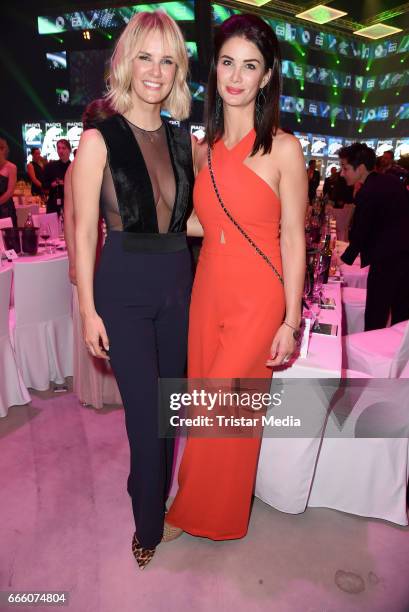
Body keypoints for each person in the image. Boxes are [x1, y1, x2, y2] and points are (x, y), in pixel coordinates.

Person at [165, 14, 307, 542]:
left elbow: (293, 237)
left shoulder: (285, 150)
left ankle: (192, 510)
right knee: (205, 403)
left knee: (225, 408)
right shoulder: (205, 149)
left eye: (251, 66)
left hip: (258, 296)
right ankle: (199, 500)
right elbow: (208, 223)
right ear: (215, 69)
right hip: (209, 291)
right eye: (228, 62)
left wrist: (291, 320)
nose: (237, 76)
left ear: (267, 77)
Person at [72, 11, 194, 569]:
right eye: (145, 56)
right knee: (145, 419)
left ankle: (144, 486)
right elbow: (81, 229)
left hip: (177, 284)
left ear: (177, 71)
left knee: (167, 413)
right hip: (122, 287)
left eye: (167, 60)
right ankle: (149, 524)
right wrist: (86, 309)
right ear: (125, 62)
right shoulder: (99, 136)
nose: (155, 70)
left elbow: (184, 221)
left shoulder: (181, 137)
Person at [64, 98, 122, 410]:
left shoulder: (115, 161)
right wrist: (75, 262)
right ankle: (95, 389)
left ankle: (116, 388)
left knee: (113, 320)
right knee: (92, 318)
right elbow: (73, 220)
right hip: (92, 249)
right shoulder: (77, 167)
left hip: (112, 250)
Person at [339, 143, 409, 331]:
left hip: (387, 262)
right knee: (402, 318)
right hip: (404, 258)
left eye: (345, 168)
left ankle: (371, 356)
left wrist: (341, 260)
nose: (342, 173)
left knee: (375, 317)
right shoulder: (392, 182)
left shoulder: (368, 191)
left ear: (360, 168)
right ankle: (399, 358)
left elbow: (360, 234)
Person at [43, 138, 71, 215]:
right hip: (53, 205)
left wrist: (65, 184)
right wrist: (52, 184)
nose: (61, 151)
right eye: (58, 148)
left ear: (69, 150)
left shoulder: (74, 167)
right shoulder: (50, 166)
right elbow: (44, 185)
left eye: (63, 148)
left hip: (69, 205)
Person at [0, 138, 17, 227]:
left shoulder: (11, 167)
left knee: (8, 239)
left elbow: (10, 192)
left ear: (3, 150)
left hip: (5, 209)